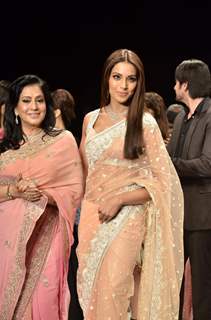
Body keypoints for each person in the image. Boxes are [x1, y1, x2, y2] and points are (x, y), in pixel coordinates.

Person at [76, 48, 184, 320]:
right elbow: (85, 173)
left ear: (139, 82)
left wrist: (120, 199)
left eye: (131, 79)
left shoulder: (144, 123)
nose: (123, 86)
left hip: (127, 217)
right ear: (106, 79)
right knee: (89, 293)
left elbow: (163, 182)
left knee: (114, 289)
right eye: (117, 77)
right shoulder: (90, 120)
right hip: (91, 216)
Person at [0, 75, 83, 319]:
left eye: (39, 100)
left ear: (47, 105)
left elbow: (74, 191)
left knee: (44, 297)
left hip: (49, 232)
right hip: (7, 238)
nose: (33, 107)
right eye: (26, 101)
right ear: (15, 106)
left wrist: (42, 194)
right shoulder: (4, 146)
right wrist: (14, 191)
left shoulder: (62, 141)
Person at [167, 59, 211, 320]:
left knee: (203, 286)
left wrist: (171, 165)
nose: (173, 87)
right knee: (173, 283)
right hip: (178, 213)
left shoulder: (210, 115)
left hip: (203, 217)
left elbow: (208, 163)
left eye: (176, 82)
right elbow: (169, 156)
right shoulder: (182, 117)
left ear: (185, 84)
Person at [51, 88, 84, 319]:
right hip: (64, 215)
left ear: (56, 111)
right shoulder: (60, 138)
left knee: (70, 273)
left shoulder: (64, 139)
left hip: (69, 217)